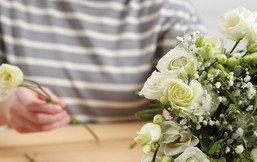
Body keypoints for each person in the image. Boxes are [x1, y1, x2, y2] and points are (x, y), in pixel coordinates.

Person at [0, 0, 204, 133]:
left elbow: (204, 91)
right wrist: (5, 105)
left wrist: (183, 116)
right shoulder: (8, 7)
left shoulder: (172, 11)